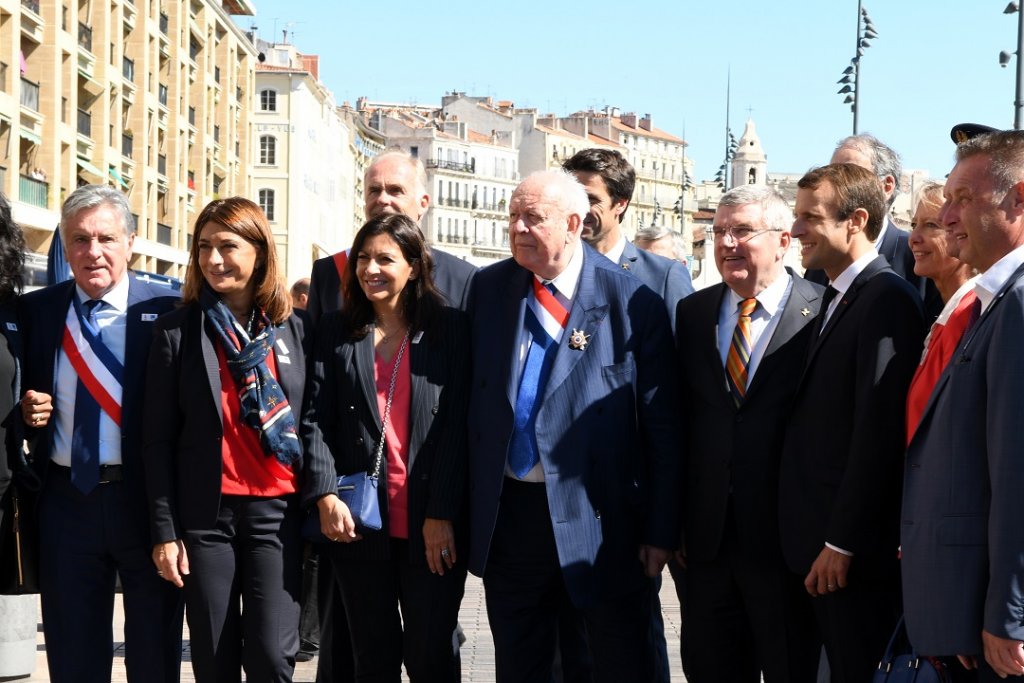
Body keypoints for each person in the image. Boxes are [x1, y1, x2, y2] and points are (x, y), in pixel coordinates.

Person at [467, 169, 681, 683]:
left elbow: (663, 429)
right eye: (512, 216)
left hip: (603, 526)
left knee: (609, 664)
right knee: (521, 666)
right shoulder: (489, 289)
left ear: (572, 223)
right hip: (513, 520)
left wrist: (660, 530)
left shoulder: (632, 302)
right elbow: (467, 407)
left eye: (532, 218)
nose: (517, 228)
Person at [142, 197, 335, 682]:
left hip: (278, 516)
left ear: (260, 253)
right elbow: (157, 440)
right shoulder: (177, 332)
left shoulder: (297, 331)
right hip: (207, 518)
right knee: (214, 658)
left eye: (227, 246)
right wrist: (165, 532)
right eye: (203, 247)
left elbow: (314, 420)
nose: (213, 259)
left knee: (272, 656)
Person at [305, 149, 476, 683]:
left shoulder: (449, 331)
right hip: (360, 524)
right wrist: (325, 491)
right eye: (363, 260)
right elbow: (312, 419)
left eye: (385, 260)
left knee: (430, 656)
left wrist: (443, 510)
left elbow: (457, 425)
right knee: (370, 659)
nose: (371, 270)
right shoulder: (337, 333)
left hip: (431, 524)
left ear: (413, 265)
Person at [18, 184, 183, 683]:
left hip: (146, 504)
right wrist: (26, 409)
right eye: (80, 240)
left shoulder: (170, 312)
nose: (94, 252)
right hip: (68, 502)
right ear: (65, 248)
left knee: (154, 655)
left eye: (106, 238)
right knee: (73, 656)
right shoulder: (38, 312)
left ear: (130, 242)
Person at [780, 164, 924, 683]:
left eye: (810, 217)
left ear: (855, 220)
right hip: (816, 548)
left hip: (849, 559)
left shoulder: (885, 298)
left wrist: (842, 542)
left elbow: (878, 433)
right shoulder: (837, 292)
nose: (796, 230)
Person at [676, 185, 821, 682]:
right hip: (707, 544)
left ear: (784, 241)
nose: (726, 243)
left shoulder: (821, 313)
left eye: (741, 231)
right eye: (718, 231)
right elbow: (681, 423)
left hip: (787, 545)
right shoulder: (693, 315)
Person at [902, 129, 1024, 681]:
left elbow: (1017, 470)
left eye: (963, 199)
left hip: (993, 629)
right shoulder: (996, 300)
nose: (947, 217)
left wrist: (1010, 615)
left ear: (1018, 200)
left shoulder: (1017, 302)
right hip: (963, 607)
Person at [305, 151, 476, 324]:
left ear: (423, 204)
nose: (382, 199)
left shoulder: (462, 279)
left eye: (395, 190)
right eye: (374, 190)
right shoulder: (330, 272)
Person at [806, 134, 942, 319]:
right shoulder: (819, 259)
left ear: (886, 187)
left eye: (849, 175)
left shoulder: (918, 256)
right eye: (831, 175)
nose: (834, 186)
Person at [562, 148, 693, 328]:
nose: (580, 208)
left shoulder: (663, 276)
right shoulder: (550, 269)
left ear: (620, 205)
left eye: (591, 199)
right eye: (573, 199)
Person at [904, 181, 976, 445]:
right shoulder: (949, 314)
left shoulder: (969, 316)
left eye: (931, 225)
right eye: (913, 225)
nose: (913, 237)